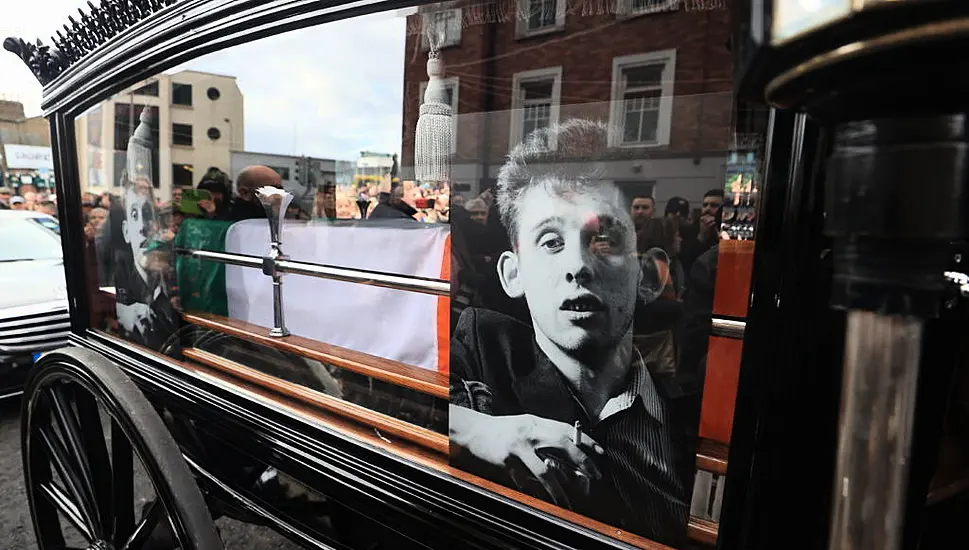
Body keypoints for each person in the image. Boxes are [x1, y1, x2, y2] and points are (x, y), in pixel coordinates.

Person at [449, 119, 691, 547]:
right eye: (550, 241)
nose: (577, 266)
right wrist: (473, 430)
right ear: (512, 274)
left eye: (604, 240)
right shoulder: (483, 350)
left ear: (649, 276)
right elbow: (386, 404)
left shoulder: (689, 419)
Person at [112, 108, 176, 350]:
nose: (144, 227)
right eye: (136, 215)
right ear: (127, 231)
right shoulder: (120, 276)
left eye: (149, 214)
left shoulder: (169, 274)